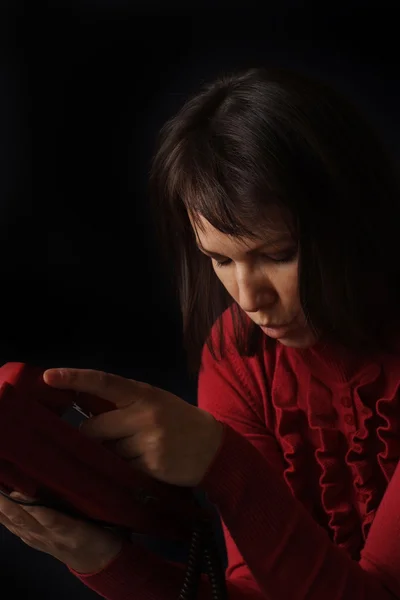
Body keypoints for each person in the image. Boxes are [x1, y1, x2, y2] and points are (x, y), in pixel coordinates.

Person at [1, 66, 400, 600]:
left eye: (279, 255)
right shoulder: (239, 355)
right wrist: (99, 558)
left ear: (354, 224)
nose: (249, 297)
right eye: (220, 259)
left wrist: (224, 464)